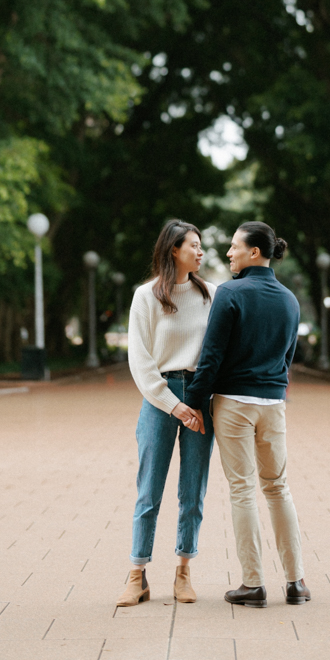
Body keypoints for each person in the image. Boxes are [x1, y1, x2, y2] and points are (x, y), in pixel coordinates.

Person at [184, 220, 309, 609]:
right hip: (273, 405)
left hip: (234, 404)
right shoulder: (290, 300)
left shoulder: (231, 293)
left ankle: (253, 584)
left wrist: (193, 402)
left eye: (235, 247)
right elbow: (288, 358)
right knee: (278, 488)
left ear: (254, 252)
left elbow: (212, 355)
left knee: (242, 489)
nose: (228, 253)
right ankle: (296, 583)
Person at [118, 220, 214, 607]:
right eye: (193, 244)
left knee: (193, 491)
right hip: (160, 398)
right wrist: (175, 405)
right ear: (174, 249)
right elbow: (140, 361)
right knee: (149, 490)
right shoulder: (146, 297)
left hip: (200, 394)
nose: (201, 251)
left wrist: (198, 402)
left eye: (201, 244)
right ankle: (137, 574)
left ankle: (184, 570)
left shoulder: (211, 294)